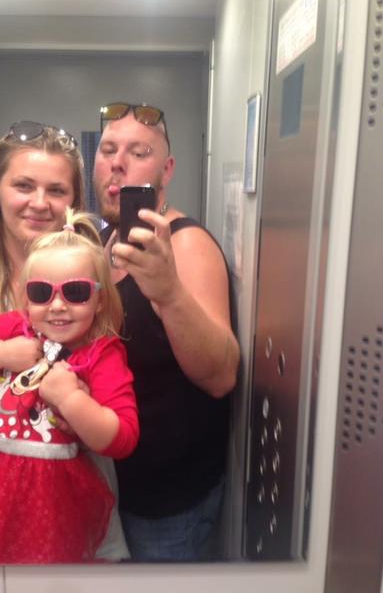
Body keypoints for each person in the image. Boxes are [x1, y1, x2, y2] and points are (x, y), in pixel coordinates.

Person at [0, 121, 130, 561]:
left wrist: (76, 403)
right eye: (23, 185)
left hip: (67, 508)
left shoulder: (96, 278)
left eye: (56, 190)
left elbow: (117, 416)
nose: (39, 203)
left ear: (73, 202)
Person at [93, 102, 240, 561]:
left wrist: (170, 293)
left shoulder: (186, 244)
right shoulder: (106, 241)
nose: (118, 163)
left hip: (168, 507)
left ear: (167, 169)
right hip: (115, 487)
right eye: (108, 150)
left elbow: (221, 375)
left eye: (139, 152)